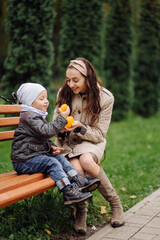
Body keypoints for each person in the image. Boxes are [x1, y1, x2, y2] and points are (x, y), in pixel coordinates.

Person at [53, 58, 125, 234]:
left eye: (75, 80)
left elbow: (100, 134)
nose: (70, 84)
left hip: (92, 142)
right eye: (68, 80)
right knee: (75, 169)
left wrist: (80, 127)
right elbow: (54, 125)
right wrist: (60, 128)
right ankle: (81, 212)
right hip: (68, 144)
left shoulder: (105, 98)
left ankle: (115, 204)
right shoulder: (64, 92)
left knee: (86, 160)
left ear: (88, 77)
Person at [11, 82, 101, 206]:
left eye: (46, 98)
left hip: (32, 155)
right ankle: (68, 191)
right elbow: (47, 131)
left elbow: (39, 137)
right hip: (23, 161)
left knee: (58, 157)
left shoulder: (34, 115)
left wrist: (51, 147)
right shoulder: (29, 117)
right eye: (41, 99)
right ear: (30, 101)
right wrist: (62, 118)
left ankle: (77, 179)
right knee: (52, 162)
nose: (46, 101)